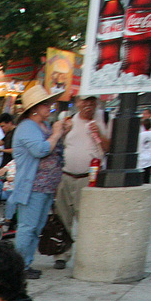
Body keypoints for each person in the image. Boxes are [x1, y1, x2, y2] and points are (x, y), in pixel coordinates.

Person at [12, 84, 68, 279]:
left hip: (45, 187)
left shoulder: (41, 126)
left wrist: (59, 133)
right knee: (28, 227)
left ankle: (26, 263)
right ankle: (19, 266)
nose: (49, 108)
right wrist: (57, 133)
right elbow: (41, 150)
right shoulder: (27, 127)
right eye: (46, 104)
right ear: (34, 107)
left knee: (36, 228)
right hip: (33, 186)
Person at [53, 94, 110, 270]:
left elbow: (109, 147)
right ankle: (61, 254)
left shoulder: (106, 118)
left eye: (92, 101)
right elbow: (56, 144)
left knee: (87, 219)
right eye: (84, 101)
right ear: (77, 103)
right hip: (66, 175)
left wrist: (98, 132)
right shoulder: (67, 119)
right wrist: (63, 131)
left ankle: (89, 254)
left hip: (89, 178)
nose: (88, 105)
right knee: (62, 217)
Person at [137, 119, 151, 184]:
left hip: (140, 157)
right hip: (149, 157)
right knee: (147, 178)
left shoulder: (140, 135)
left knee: (140, 178)